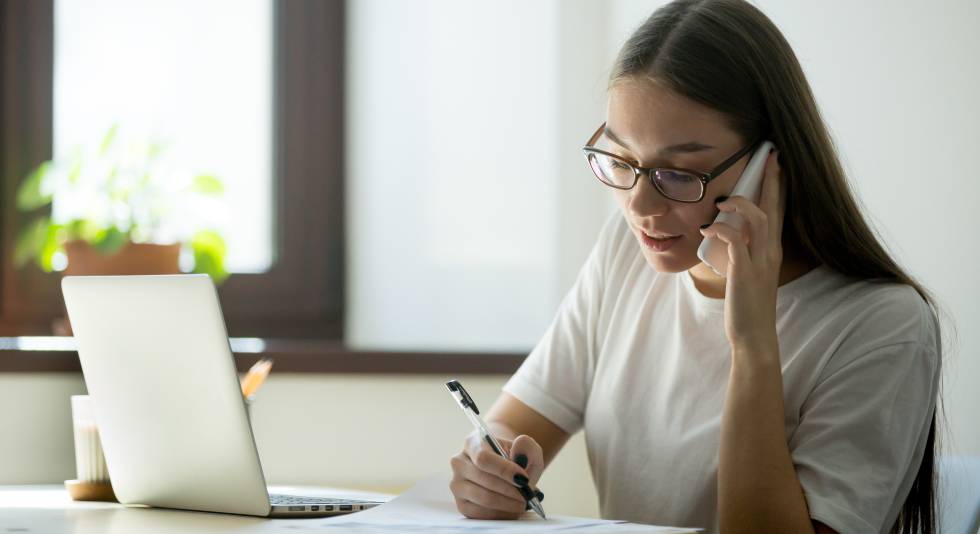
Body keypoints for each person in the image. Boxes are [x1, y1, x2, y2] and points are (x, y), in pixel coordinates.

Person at [447, 1, 944, 533]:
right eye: (621, 161)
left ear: (767, 164)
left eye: (679, 174)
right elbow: (512, 425)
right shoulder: (626, 251)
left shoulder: (881, 325)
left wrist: (752, 343)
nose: (639, 207)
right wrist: (488, 466)